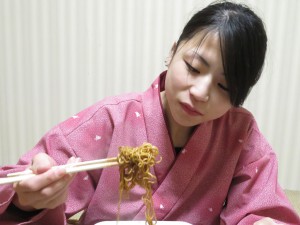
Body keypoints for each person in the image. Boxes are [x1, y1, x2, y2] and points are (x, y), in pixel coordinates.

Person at [0, 1, 299, 224]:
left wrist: (263, 221)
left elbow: (260, 206)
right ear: (173, 52)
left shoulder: (239, 134)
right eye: (194, 67)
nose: (201, 92)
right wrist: (30, 200)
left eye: (225, 86)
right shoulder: (112, 117)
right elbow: (23, 183)